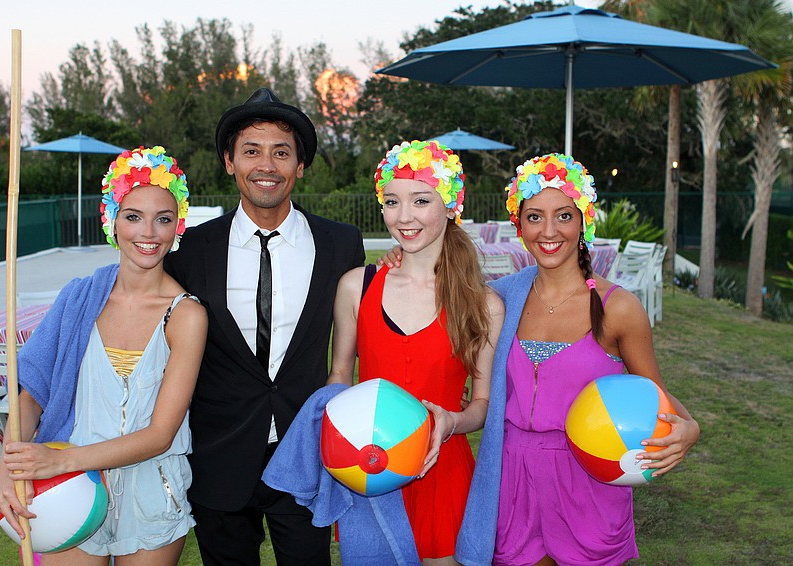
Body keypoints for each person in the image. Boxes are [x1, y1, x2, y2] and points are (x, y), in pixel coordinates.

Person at [455, 153, 700, 566]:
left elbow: (653, 393)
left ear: (583, 219)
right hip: (512, 481)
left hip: (589, 486)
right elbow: (435, 287)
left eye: (563, 216)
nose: (549, 231)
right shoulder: (501, 298)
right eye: (534, 217)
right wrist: (397, 258)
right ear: (519, 225)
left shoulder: (618, 308)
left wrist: (690, 428)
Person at [163, 87, 365, 565]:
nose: (267, 165)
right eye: (251, 151)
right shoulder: (190, 249)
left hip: (307, 451)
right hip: (218, 455)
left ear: (300, 166)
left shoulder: (341, 244)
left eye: (281, 152)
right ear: (230, 162)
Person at [0, 146, 208, 565]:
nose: (149, 232)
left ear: (177, 226)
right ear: (111, 220)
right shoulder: (79, 296)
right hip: (67, 487)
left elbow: (160, 434)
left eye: (163, 219)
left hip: (152, 491)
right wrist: (10, 464)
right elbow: (33, 393)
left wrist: (60, 459)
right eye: (133, 216)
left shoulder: (187, 315)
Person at [326, 140, 504, 564]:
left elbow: (481, 404)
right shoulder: (357, 286)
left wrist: (452, 421)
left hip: (442, 475)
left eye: (420, 200)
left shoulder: (483, 304)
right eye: (392, 202)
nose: (404, 217)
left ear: (449, 206)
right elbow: (338, 376)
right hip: (368, 471)